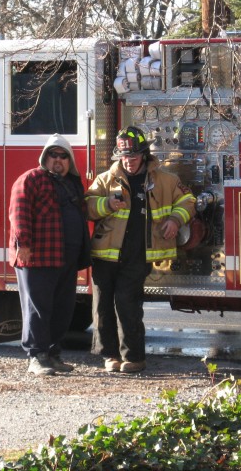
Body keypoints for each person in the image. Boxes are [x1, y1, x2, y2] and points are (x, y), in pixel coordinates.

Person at [85, 126, 195, 373]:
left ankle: (134, 357)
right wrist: (107, 204)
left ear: (144, 155)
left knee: (127, 303)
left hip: (138, 254)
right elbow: (88, 205)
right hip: (106, 254)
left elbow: (188, 201)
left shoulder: (165, 180)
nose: (129, 162)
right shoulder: (105, 179)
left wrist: (175, 220)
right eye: (124, 157)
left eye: (133, 158)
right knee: (102, 306)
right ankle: (110, 356)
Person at [9, 134, 92, 376]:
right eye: (53, 155)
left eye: (63, 155)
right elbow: (18, 213)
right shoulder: (30, 179)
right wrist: (23, 244)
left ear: (70, 160)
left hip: (66, 258)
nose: (58, 160)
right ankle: (36, 356)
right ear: (45, 157)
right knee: (38, 308)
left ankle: (53, 354)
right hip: (37, 257)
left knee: (63, 308)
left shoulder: (73, 184)